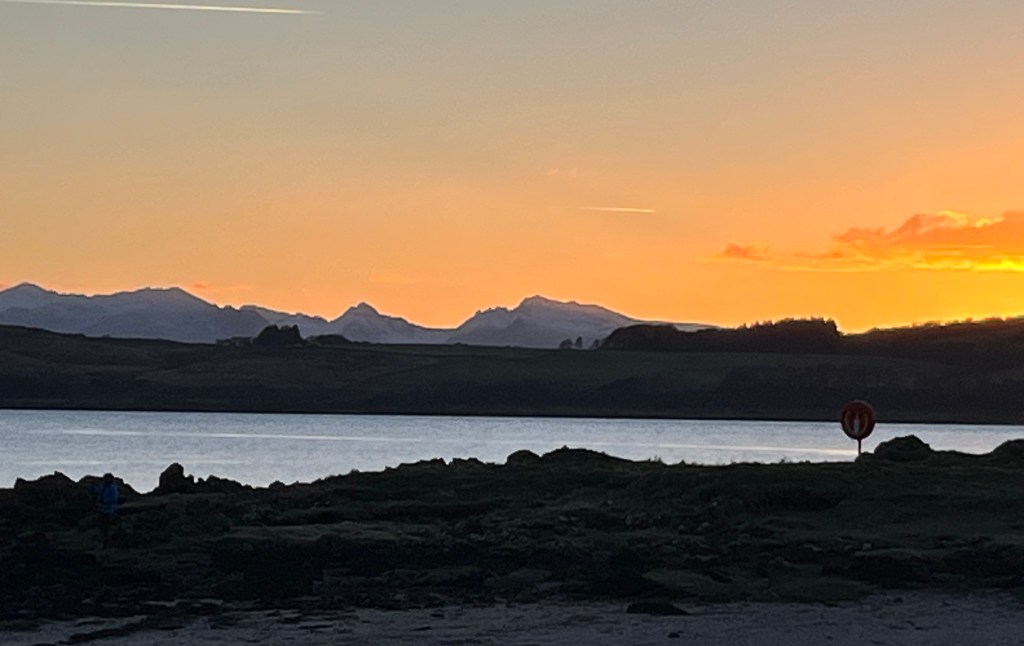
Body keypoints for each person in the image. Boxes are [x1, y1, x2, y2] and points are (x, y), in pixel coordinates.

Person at [97, 473, 120, 547]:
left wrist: (104, 501)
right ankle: (103, 542)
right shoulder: (103, 486)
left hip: (110, 510)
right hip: (102, 509)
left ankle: (107, 543)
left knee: (108, 527)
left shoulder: (112, 487)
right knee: (102, 526)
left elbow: (114, 498)